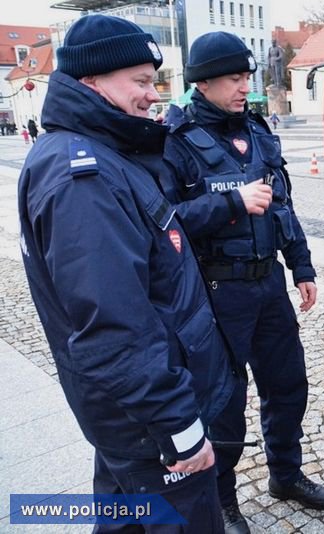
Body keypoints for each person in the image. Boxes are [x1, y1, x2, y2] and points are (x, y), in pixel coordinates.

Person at [17, 14, 236, 532]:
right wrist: (179, 427)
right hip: (148, 424)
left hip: (131, 415)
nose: (153, 95)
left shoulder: (104, 154)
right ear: (91, 80)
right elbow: (114, 327)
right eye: (140, 81)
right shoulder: (84, 179)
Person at [160, 31, 324, 534]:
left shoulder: (257, 132)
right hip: (217, 293)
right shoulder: (176, 141)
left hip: (268, 284)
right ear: (204, 82)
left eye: (246, 78)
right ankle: (222, 500)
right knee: (223, 403)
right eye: (234, 79)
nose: (244, 88)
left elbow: (283, 206)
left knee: (288, 385)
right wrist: (231, 203)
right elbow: (166, 221)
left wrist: (301, 266)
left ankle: (285, 474)